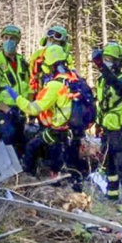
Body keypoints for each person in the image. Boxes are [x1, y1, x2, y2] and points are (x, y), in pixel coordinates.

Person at [9, 43, 78, 179]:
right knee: (54, 158)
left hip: (58, 131)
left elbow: (33, 109)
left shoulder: (55, 86)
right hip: (71, 131)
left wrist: (16, 98)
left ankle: (27, 179)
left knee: (31, 148)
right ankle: (56, 175)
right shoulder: (73, 80)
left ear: (51, 65)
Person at [93, 42, 122, 210]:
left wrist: (102, 67)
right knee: (108, 165)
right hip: (106, 129)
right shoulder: (101, 80)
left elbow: (118, 88)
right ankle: (112, 197)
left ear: (118, 62)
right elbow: (102, 105)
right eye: (105, 59)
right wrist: (98, 124)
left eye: (110, 59)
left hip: (120, 131)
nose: (106, 62)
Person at [0, 24, 32, 147]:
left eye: (12, 38)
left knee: (23, 142)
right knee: (8, 135)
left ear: (17, 41)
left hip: (21, 109)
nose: (8, 41)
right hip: (2, 110)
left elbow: (29, 85)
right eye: (6, 38)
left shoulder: (23, 62)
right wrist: (7, 110)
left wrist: (31, 107)